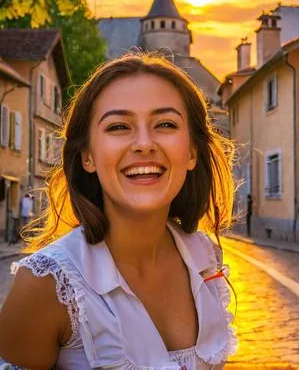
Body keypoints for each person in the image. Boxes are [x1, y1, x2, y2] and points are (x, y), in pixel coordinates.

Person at [0, 53, 237, 369]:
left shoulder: (205, 257)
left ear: (192, 151)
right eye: (118, 126)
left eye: (165, 124)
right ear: (88, 156)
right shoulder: (47, 285)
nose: (144, 144)